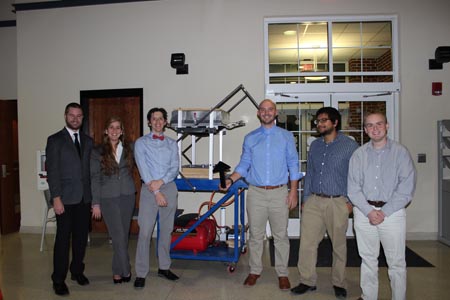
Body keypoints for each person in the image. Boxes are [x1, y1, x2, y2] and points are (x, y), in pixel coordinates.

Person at [222, 99, 300, 291]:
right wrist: (231, 179)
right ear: (258, 113)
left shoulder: (286, 136)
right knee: (256, 235)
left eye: (270, 109)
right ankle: (255, 270)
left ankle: (282, 273)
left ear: (276, 113)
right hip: (255, 193)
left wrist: (293, 191)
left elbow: (293, 164)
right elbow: (244, 164)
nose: (266, 112)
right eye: (263, 110)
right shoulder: (250, 138)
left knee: (280, 236)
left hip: (279, 192)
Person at [347, 112, 416, 300]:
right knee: (368, 260)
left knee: (397, 263)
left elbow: (406, 188)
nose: (374, 128)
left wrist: (383, 212)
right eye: (369, 125)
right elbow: (353, 189)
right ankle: (368, 297)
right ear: (365, 129)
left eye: (378, 124)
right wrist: (370, 212)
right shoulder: (358, 155)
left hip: (392, 214)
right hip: (364, 212)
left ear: (387, 126)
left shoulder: (401, 153)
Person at [291, 107, 358, 299]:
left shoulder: (349, 146)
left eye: (323, 120)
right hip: (314, 200)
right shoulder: (316, 146)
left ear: (335, 122)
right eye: (317, 121)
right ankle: (307, 280)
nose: (319, 124)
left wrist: (350, 202)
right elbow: (310, 172)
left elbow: (356, 176)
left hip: (337, 202)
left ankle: (339, 282)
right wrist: (306, 199)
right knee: (307, 243)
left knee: (338, 246)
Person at [45, 102, 94, 296]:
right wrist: (56, 198)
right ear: (65, 116)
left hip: (84, 198)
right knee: (63, 240)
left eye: (79, 116)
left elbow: (90, 171)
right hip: (64, 199)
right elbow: (53, 172)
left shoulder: (88, 141)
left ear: (83, 118)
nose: (75, 118)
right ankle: (58, 279)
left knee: (81, 239)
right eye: (72, 115)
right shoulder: (55, 140)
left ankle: (77, 271)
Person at [133, 107, 180, 289]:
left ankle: (164, 267)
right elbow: (143, 169)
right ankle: (141, 272)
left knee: (166, 230)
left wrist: (162, 182)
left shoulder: (171, 143)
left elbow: (175, 167)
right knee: (145, 232)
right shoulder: (141, 143)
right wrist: (155, 191)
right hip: (149, 189)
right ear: (149, 122)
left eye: (161, 119)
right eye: (154, 119)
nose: (158, 122)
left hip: (168, 187)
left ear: (166, 122)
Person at [90, 117, 136, 284]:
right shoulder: (97, 151)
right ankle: (126, 270)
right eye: (111, 127)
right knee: (117, 236)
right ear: (106, 131)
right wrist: (95, 203)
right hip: (107, 197)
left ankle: (117, 271)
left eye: (118, 127)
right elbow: (94, 178)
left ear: (122, 131)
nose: (115, 131)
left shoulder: (130, 148)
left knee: (123, 236)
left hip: (127, 195)